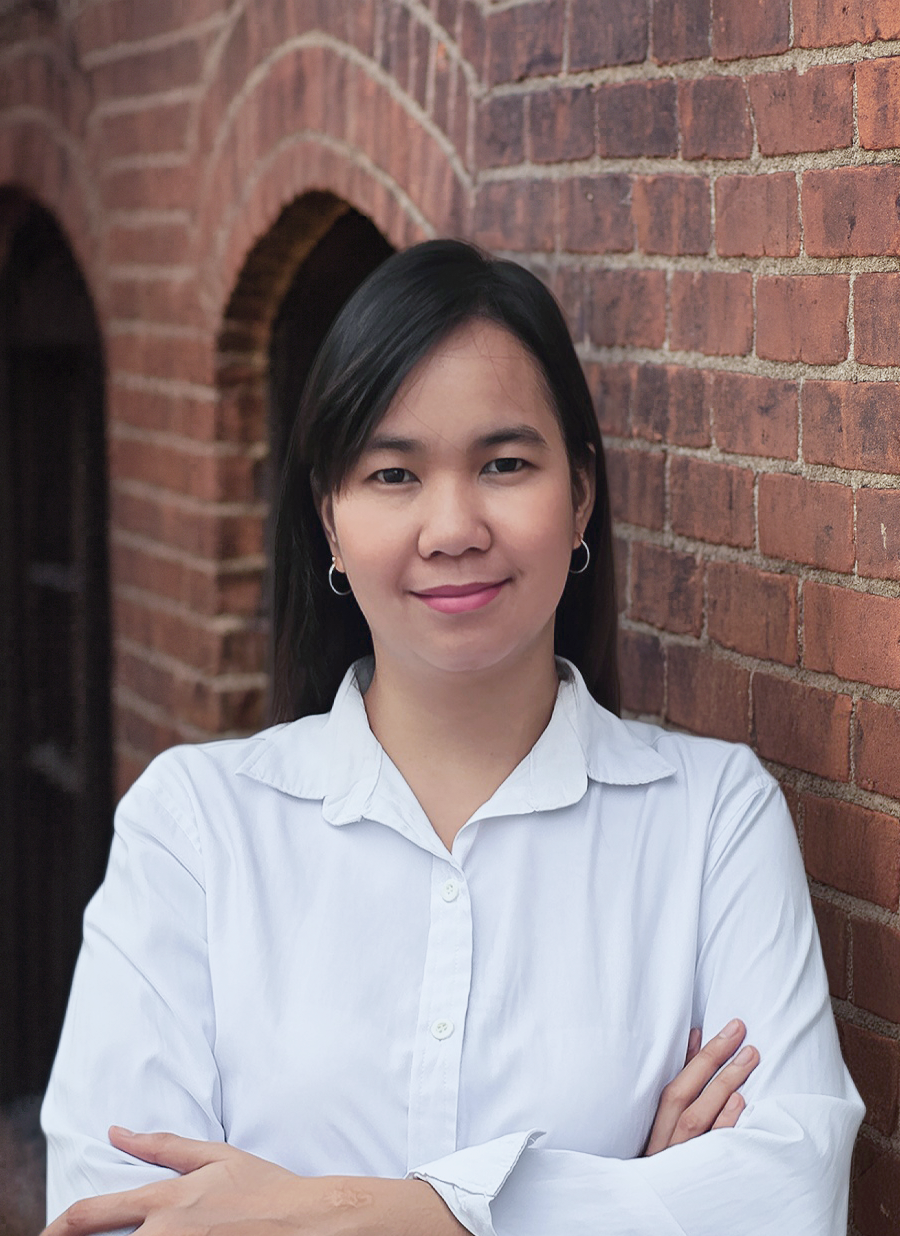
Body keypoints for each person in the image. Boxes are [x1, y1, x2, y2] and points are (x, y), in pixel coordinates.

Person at [41, 240, 863, 1235]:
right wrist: (622, 1200)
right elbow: (110, 1214)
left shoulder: (711, 818)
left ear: (582, 496)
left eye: (505, 464)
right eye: (393, 474)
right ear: (330, 521)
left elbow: (790, 1196)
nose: (452, 525)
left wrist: (366, 1211)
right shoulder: (197, 826)